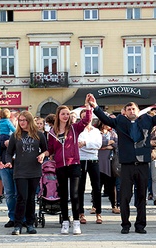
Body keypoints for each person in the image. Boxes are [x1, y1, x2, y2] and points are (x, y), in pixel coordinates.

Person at [87, 88, 156, 234]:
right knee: (125, 197)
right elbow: (105, 119)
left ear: (138, 110)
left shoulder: (147, 120)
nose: (131, 111)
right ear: (125, 112)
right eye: (128, 109)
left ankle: (140, 225)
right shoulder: (120, 121)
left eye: (133, 108)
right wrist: (95, 106)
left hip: (142, 164)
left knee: (141, 196)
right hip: (127, 165)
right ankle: (125, 225)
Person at [45, 96, 92, 235]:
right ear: (58, 116)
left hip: (74, 164)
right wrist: (44, 154)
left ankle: (76, 222)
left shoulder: (74, 128)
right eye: (63, 114)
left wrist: (88, 107)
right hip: (60, 166)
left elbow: (86, 120)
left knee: (75, 194)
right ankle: (65, 222)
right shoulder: (52, 133)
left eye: (67, 114)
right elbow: (51, 149)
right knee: (63, 195)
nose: (65, 116)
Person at [5, 111, 47, 235]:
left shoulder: (39, 135)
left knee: (31, 199)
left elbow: (46, 150)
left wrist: (42, 155)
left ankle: (30, 223)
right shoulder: (15, 135)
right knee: (21, 198)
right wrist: (8, 162)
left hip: (34, 170)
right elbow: (9, 152)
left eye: (24, 120)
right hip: (20, 171)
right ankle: (17, 225)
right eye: (20, 120)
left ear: (29, 121)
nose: (22, 123)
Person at [77, 108, 103, 224]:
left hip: (93, 160)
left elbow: (98, 144)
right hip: (81, 160)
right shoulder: (78, 130)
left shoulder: (96, 131)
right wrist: (89, 145)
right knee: (80, 188)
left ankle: (98, 212)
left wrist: (86, 143)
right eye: (84, 117)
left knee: (96, 187)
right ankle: (80, 213)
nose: (86, 119)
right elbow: (78, 144)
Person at [96, 119, 119, 213]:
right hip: (98, 161)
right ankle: (95, 206)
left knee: (111, 185)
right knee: (97, 186)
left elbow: (117, 144)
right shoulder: (96, 133)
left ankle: (114, 205)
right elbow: (96, 144)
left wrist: (108, 145)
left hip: (110, 162)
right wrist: (107, 143)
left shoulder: (112, 133)